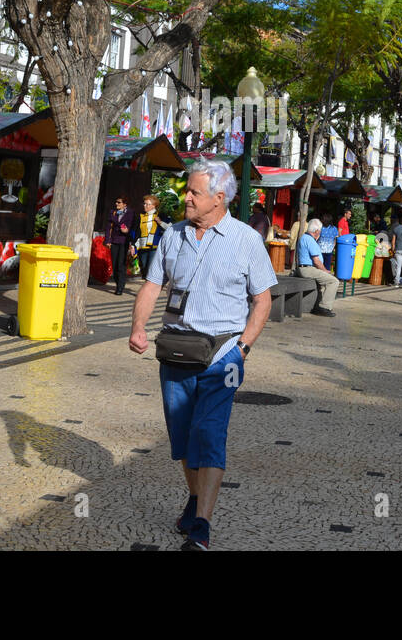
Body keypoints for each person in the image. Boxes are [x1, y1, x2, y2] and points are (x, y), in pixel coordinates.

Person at [128, 160, 276, 551]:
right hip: (175, 350)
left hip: (223, 356)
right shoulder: (173, 235)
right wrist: (138, 327)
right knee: (181, 436)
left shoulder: (246, 240)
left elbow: (262, 300)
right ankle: (195, 497)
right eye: (188, 190)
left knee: (208, 433)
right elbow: (152, 285)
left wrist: (242, 348)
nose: (186, 198)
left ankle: (202, 528)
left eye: (194, 192)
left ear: (219, 198)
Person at [294, 219, 339, 317]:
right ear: (317, 231)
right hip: (308, 269)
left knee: (324, 283)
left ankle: (317, 306)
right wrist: (324, 270)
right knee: (333, 281)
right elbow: (316, 261)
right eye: (320, 230)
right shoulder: (310, 240)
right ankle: (324, 307)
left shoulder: (304, 237)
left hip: (305, 268)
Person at [132, 194, 167, 280]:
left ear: (154, 205)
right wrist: (133, 245)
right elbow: (135, 231)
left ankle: (149, 285)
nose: (145, 205)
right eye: (144, 204)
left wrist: (160, 222)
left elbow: (170, 228)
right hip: (142, 245)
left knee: (151, 266)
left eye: (147, 204)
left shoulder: (161, 215)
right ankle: (146, 280)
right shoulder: (140, 216)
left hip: (155, 246)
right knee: (143, 265)